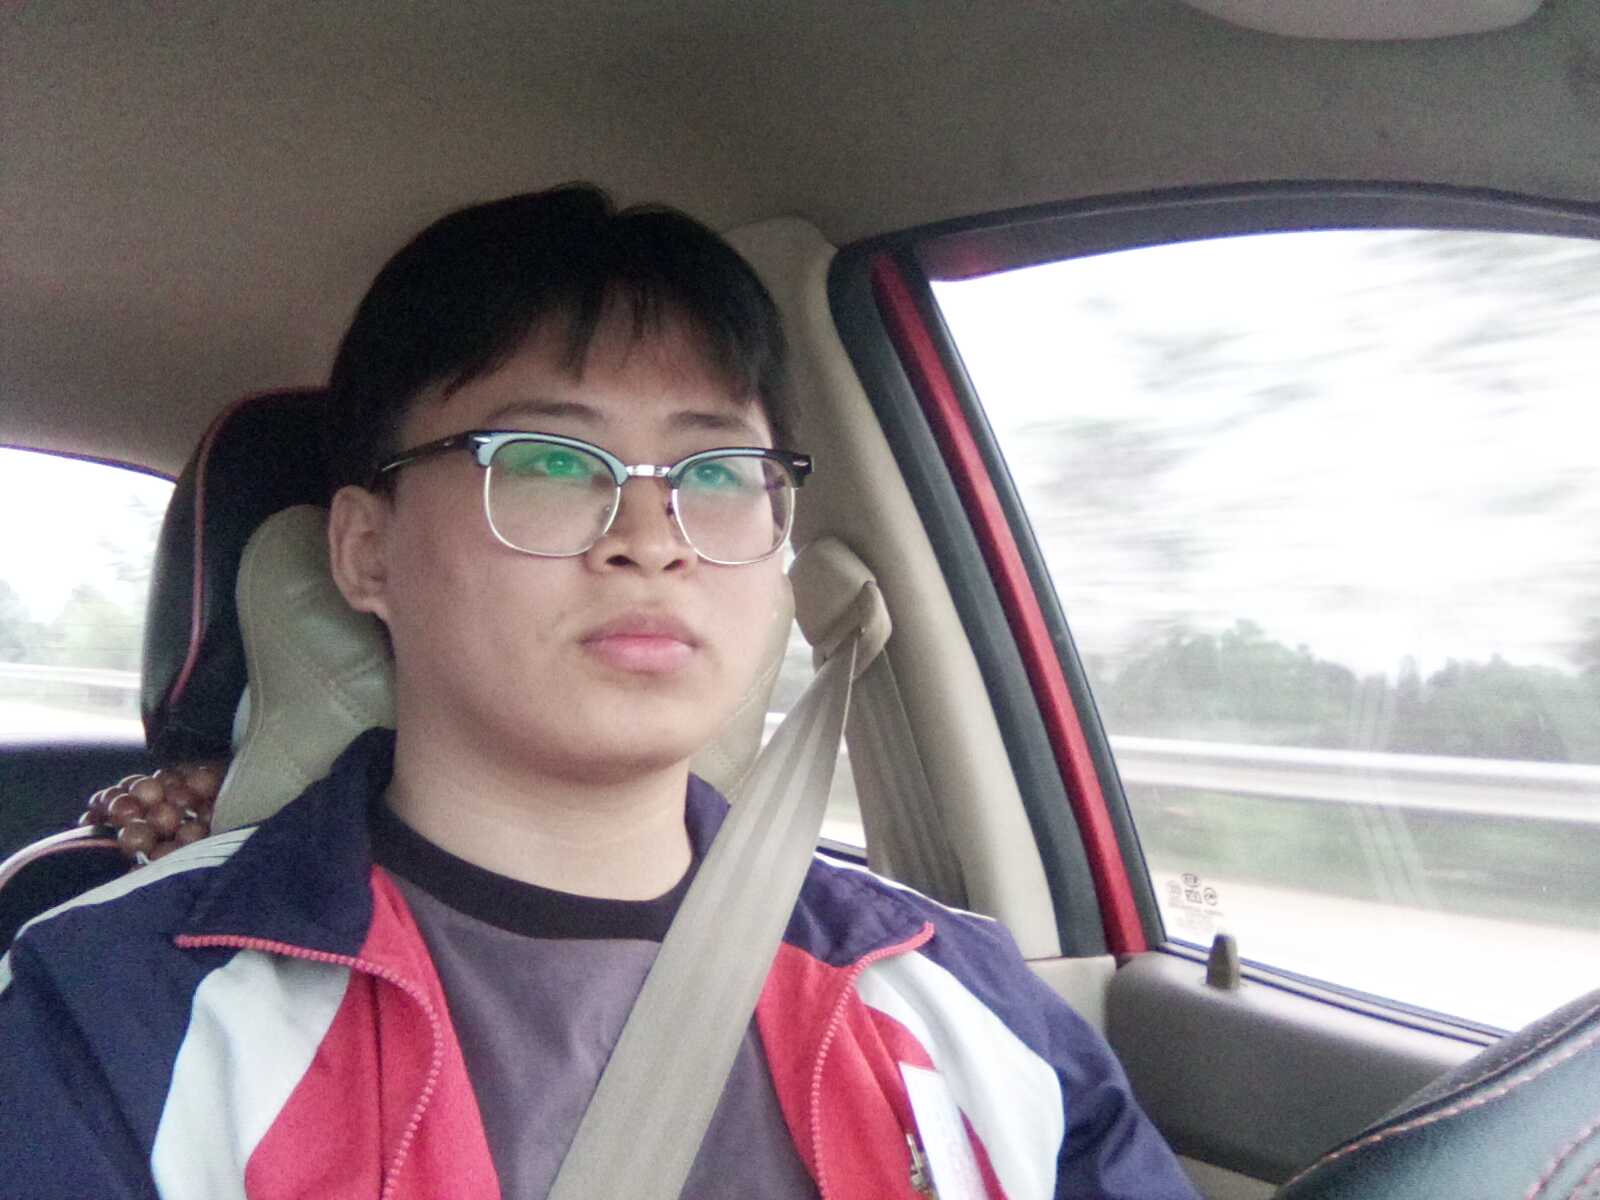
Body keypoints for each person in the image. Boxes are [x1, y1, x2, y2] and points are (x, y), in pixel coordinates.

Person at [0, 186, 1200, 1199]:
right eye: (548, 461)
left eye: (716, 471)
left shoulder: (954, 990)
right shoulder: (114, 1013)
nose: (652, 537)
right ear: (367, 552)